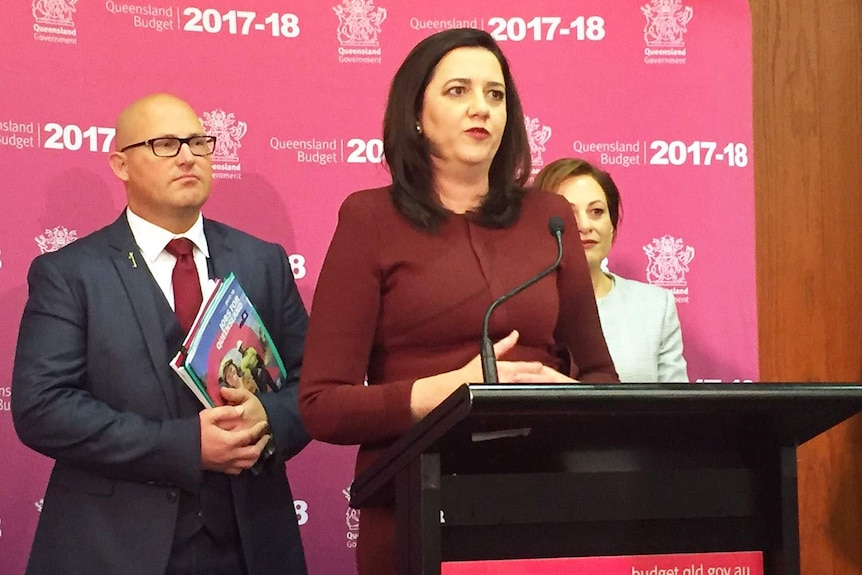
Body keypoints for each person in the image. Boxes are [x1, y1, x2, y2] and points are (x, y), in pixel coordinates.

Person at [298, 29, 619, 575]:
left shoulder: (550, 218)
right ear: (416, 115)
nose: (481, 108)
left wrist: (564, 395)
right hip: (417, 507)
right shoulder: (369, 220)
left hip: (540, 505)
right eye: (457, 91)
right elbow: (321, 404)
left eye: (495, 95)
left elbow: (602, 381)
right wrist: (442, 394)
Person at [11, 93, 310, 575]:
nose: (188, 155)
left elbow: (313, 387)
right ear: (121, 164)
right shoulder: (70, 274)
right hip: (113, 547)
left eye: (197, 141)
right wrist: (185, 446)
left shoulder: (263, 262)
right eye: (165, 144)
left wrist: (268, 420)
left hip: (252, 544)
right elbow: (43, 408)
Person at [532, 157, 689, 382]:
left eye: (596, 212)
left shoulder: (655, 306)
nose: (585, 226)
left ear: (613, 226)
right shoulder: (521, 309)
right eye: (568, 213)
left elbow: (679, 409)